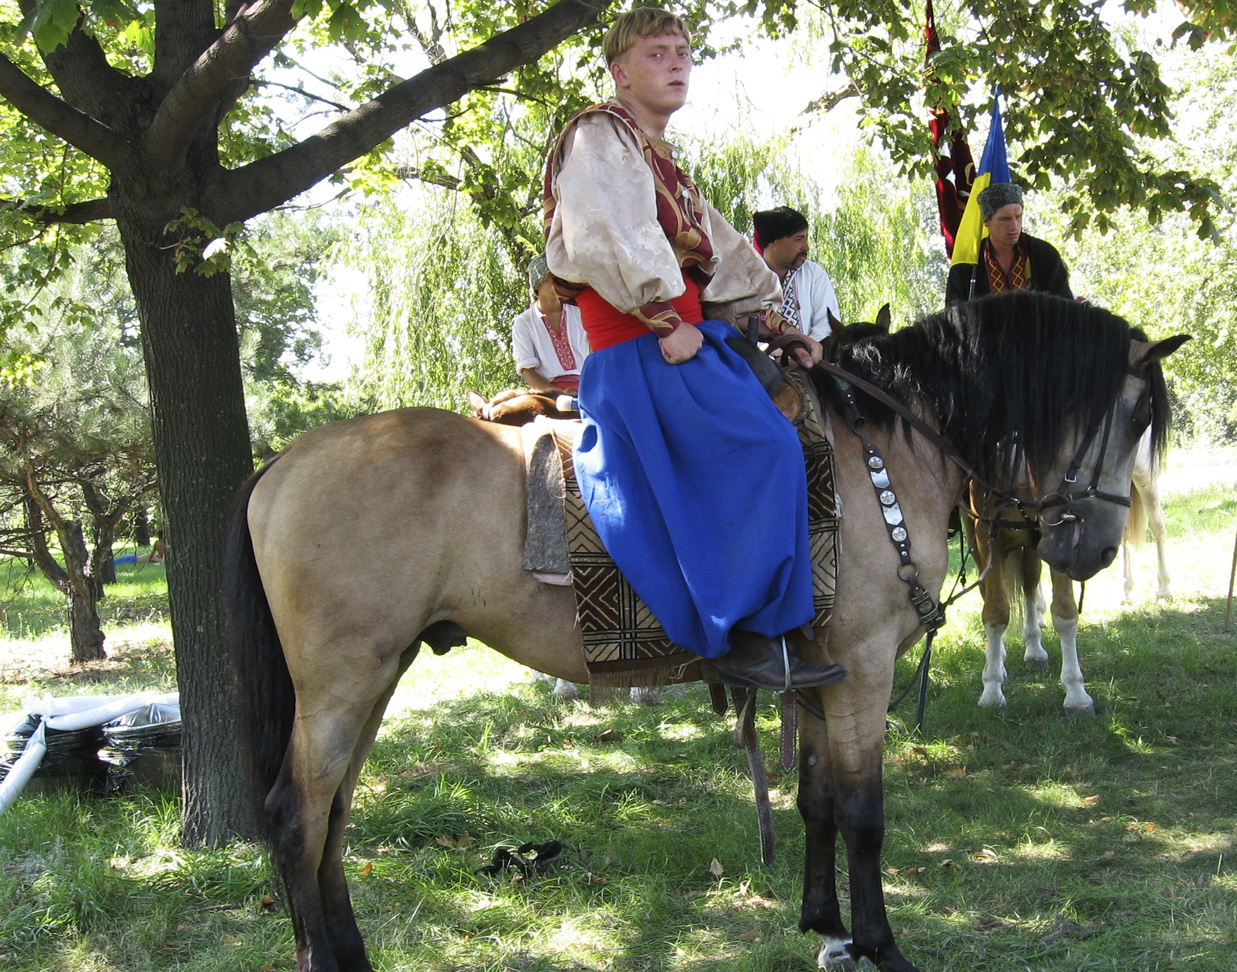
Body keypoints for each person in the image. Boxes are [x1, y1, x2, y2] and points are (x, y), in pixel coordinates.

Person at [543, 7, 845, 692]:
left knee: (783, 429)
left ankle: (776, 619)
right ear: (619, 72)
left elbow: (721, 254)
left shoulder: (658, 160)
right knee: (763, 447)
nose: (676, 62)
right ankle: (738, 633)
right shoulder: (599, 137)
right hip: (642, 350)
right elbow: (602, 237)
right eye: (656, 53)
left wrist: (769, 320)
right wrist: (660, 317)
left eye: (682, 51)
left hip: (679, 340)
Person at [945, 182, 1073, 305]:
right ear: (987, 221)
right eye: (1005, 219)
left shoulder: (1044, 255)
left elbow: (1066, 309)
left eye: (1018, 217)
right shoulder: (967, 264)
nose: (1014, 226)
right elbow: (953, 319)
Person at [752, 206, 840, 341]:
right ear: (773, 242)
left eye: (806, 238)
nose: (806, 247)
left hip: (812, 358)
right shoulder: (748, 277)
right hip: (757, 360)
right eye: (799, 239)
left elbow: (827, 325)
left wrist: (804, 352)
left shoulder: (814, 274)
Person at [512, 253, 591, 394]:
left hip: (585, 388)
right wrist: (557, 394)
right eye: (554, 278)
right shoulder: (523, 322)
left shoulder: (579, 312)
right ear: (538, 284)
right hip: (548, 395)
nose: (561, 283)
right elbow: (526, 370)